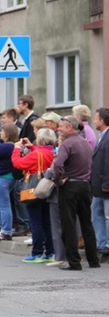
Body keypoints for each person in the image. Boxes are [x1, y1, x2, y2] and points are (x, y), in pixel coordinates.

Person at [51, 116, 100, 271]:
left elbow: (58, 164)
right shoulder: (85, 143)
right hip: (85, 185)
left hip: (70, 185)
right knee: (87, 222)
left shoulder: (67, 144)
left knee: (69, 223)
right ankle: (93, 260)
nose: (59, 129)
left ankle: (74, 262)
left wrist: (58, 180)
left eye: (62, 127)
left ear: (70, 127)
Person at [11, 129, 56, 263]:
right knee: (47, 222)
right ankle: (50, 251)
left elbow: (18, 163)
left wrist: (16, 149)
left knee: (36, 222)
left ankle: (36, 252)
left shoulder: (36, 154)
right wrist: (32, 147)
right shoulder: (51, 152)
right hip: (48, 189)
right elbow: (41, 155)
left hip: (34, 189)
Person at [91, 108, 109, 259]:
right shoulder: (102, 136)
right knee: (96, 213)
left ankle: (106, 245)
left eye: (96, 118)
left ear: (102, 121)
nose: (94, 121)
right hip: (98, 186)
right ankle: (101, 244)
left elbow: (108, 162)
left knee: (107, 216)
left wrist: (106, 183)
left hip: (105, 186)